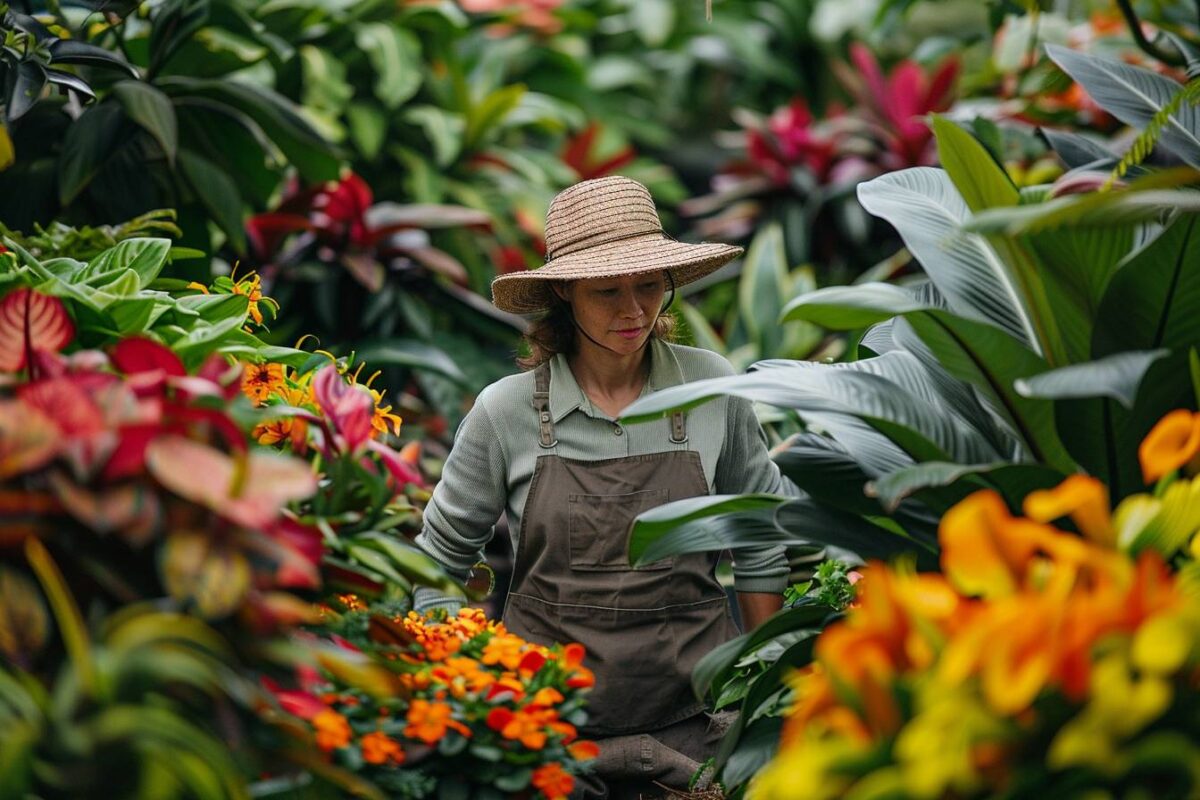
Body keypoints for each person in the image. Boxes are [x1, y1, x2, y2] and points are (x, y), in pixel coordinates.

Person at [414, 176, 797, 799]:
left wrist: (764, 687)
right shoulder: (504, 413)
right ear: (563, 292)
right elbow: (438, 562)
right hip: (549, 738)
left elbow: (759, 540)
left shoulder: (709, 389)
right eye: (608, 290)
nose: (634, 311)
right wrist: (476, 693)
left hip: (700, 724)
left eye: (649, 285)